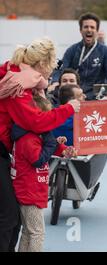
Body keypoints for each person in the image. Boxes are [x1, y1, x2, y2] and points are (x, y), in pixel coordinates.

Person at [0, 38, 80, 252]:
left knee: (16, 221)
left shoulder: (17, 76)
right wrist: (67, 109)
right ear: (42, 63)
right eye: (50, 66)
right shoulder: (18, 85)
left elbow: (40, 131)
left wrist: (60, 148)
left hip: (8, 155)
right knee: (11, 219)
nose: (50, 73)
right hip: (15, 168)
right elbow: (35, 122)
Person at [11, 94, 76, 252]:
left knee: (28, 232)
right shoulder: (27, 139)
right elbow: (38, 159)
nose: (48, 124)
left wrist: (62, 149)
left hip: (32, 190)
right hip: (28, 193)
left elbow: (48, 147)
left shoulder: (35, 135)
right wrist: (50, 143)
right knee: (37, 233)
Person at [50, 13, 107, 100]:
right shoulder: (72, 50)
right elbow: (61, 69)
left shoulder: (105, 51)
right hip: (74, 96)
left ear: (97, 31)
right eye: (86, 27)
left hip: (96, 98)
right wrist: (55, 82)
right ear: (80, 30)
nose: (89, 30)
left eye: (92, 27)